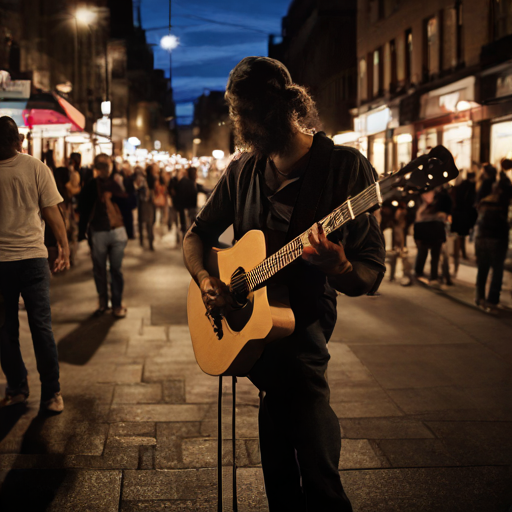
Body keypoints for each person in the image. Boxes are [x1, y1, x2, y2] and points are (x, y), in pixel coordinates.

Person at [182, 57, 386, 512]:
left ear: (281, 108)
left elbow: (370, 271)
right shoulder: (243, 169)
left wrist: (338, 267)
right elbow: (197, 233)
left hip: (305, 331)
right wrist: (205, 280)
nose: (242, 124)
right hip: (257, 339)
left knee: (318, 471)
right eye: (238, 114)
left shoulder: (344, 167)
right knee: (276, 472)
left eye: (249, 114)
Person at [0, 116, 69, 412]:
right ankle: (50, 393)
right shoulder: (36, 167)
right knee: (41, 327)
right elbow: (52, 212)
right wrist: (63, 246)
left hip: (11, 261)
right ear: (20, 141)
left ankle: (19, 388)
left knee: (6, 331)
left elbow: (51, 211)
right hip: (31, 259)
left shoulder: (35, 167)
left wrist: (63, 245)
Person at [78, 154, 128, 318]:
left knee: (116, 269)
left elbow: (131, 203)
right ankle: (103, 301)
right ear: (96, 168)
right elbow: (83, 209)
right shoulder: (91, 185)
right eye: (100, 166)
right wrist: (81, 233)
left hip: (117, 231)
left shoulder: (119, 182)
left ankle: (117, 303)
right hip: (98, 231)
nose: (104, 169)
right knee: (99, 269)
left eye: (106, 165)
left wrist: (119, 191)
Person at [474, 173, 512, 312]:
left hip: (482, 237)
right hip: (498, 238)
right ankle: (492, 300)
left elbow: (478, 219)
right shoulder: (504, 203)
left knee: (483, 268)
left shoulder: (485, 201)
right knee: (497, 269)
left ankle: (479, 297)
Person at [413, 188, 451, 285]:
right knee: (428, 254)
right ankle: (426, 274)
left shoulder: (431, 205)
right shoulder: (424, 205)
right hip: (431, 233)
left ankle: (429, 274)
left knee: (430, 254)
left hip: (432, 233)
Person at [176, 166, 211, 238]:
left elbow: (202, 189)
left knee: (189, 226)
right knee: (187, 226)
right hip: (186, 208)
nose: (196, 175)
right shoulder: (185, 182)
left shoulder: (191, 182)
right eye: (195, 173)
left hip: (190, 208)